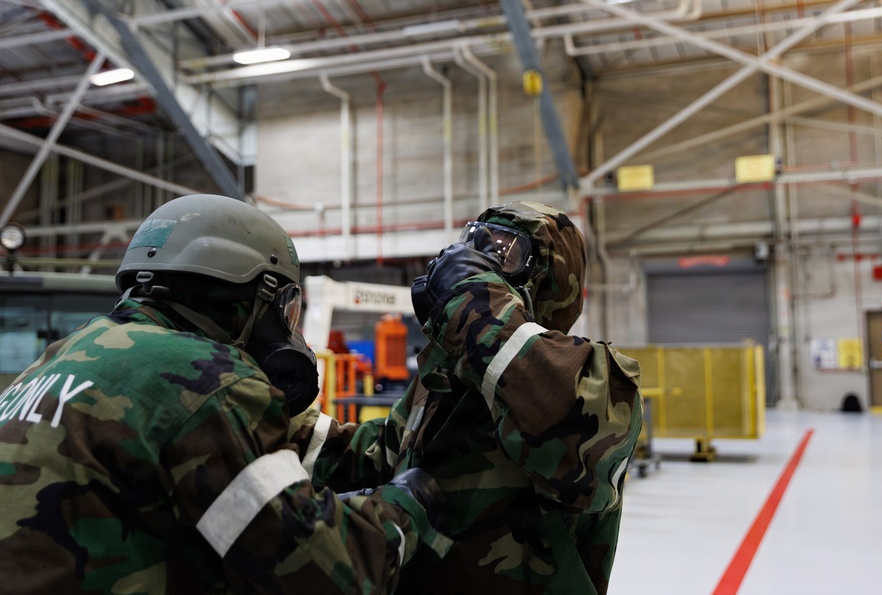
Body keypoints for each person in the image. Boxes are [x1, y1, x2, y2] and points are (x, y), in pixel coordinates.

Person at [0, 193, 448, 594]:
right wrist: (409, 503)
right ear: (255, 300)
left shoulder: (63, 357)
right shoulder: (205, 376)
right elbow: (328, 573)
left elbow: (285, 446)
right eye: (285, 309)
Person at [303, 200, 643, 594]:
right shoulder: (449, 377)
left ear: (551, 282)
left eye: (505, 253)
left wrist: (474, 299)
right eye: (474, 244)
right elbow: (386, 451)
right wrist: (281, 425)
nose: (479, 260)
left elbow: (560, 417)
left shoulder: (595, 381)